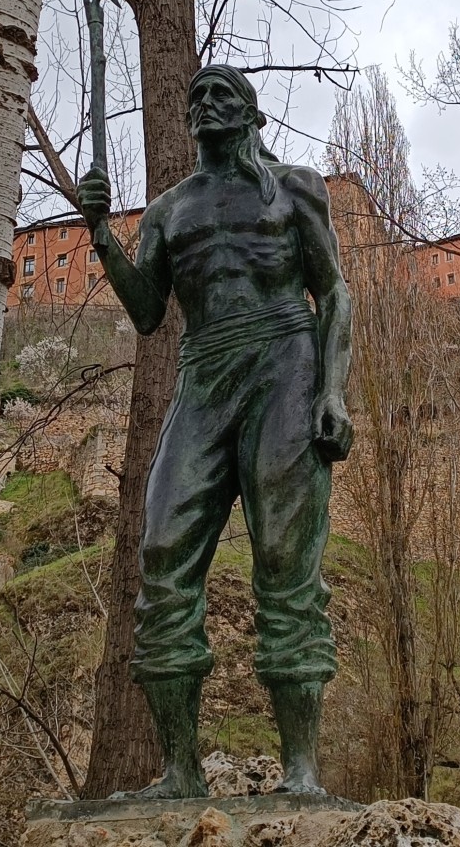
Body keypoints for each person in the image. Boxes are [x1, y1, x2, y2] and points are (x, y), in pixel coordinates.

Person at [77, 64, 353, 798]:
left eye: (221, 93)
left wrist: (332, 391)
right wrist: (102, 235)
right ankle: (180, 772)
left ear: (252, 114)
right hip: (204, 371)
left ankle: (301, 771)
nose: (205, 103)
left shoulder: (295, 187)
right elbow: (146, 312)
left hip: (285, 361)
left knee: (287, 563)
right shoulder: (169, 209)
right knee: (163, 551)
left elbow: (333, 290)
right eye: (195, 95)